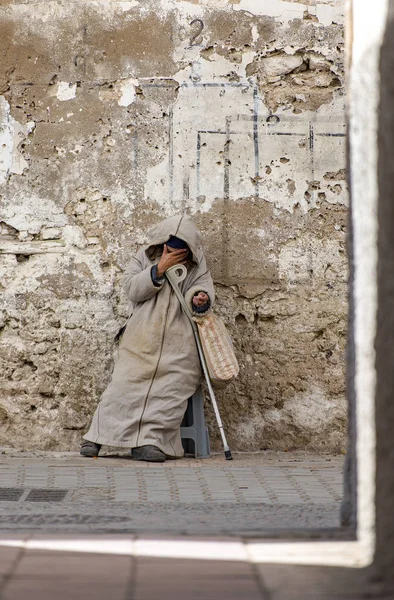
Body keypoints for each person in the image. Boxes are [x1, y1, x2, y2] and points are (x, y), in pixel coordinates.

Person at [80, 214, 214, 462]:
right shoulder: (145, 256)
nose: (175, 253)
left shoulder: (198, 263)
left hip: (180, 342)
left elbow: (203, 286)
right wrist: (159, 268)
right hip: (142, 337)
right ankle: (98, 436)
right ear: (162, 245)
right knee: (123, 384)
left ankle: (150, 442)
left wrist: (200, 297)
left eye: (180, 251)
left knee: (172, 388)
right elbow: (131, 288)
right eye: (170, 248)